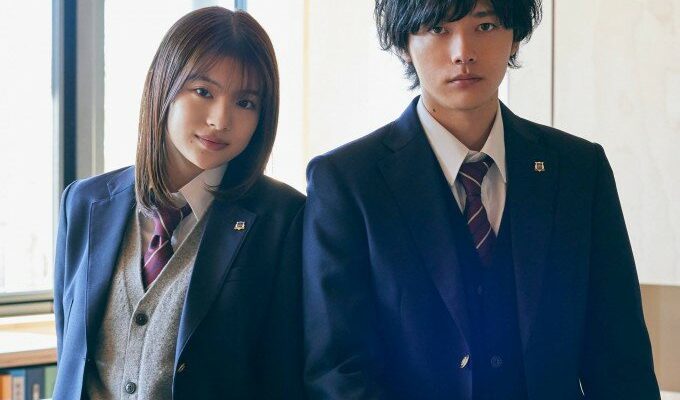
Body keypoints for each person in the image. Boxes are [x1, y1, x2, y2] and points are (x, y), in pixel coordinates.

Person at [302, 0, 660, 399]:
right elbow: (339, 369)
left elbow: (621, 357)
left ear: (515, 37)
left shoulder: (578, 169)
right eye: (438, 28)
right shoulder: (347, 180)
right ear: (403, 43)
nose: (463, 52)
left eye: (485, 26)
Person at [53, 7, 305, 399]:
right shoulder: (84, 203)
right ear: (164, 86)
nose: (220, 120)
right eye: (203, 92)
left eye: (245, 102)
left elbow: (283, 376)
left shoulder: (283, 219)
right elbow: (71, 356)